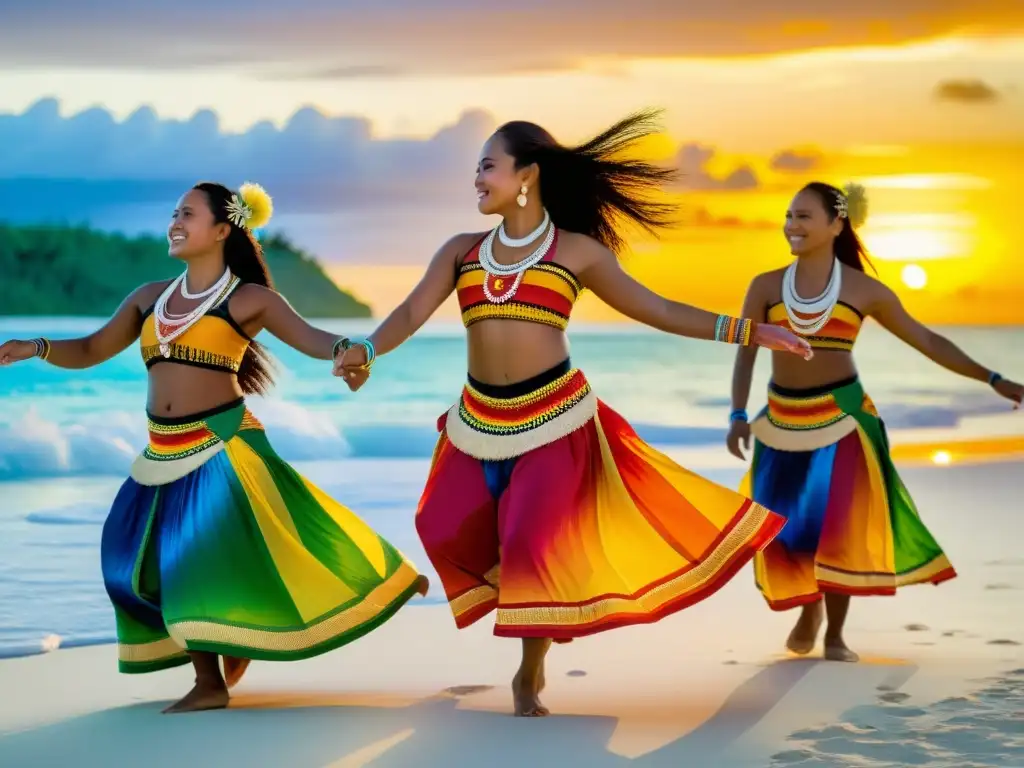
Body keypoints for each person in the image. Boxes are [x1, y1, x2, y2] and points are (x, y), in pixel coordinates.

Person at [333, 110, 811, 717]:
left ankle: (529, 671)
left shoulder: (576, 252)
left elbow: (657, 309)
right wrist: (366, 349)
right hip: (478, 420)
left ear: (526, 175)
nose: (476, 179)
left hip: (556, 421)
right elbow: (407, 313)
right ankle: (546, 603)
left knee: (532, 539)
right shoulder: (462, 252)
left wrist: (749, 332)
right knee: (440, 522)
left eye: (487, 166)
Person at [0, 181, 428, 713]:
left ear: (223, 230)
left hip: (222, 444)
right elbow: (91, 349)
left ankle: (211, 683)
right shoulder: (149, 298)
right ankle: (234, 643)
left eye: (189, 214)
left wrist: (350, 353)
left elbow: (315, 338)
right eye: (173, 213)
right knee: (125, 560)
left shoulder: (248, 299)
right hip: (162, 450)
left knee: (191, 561)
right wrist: (36, 347)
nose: (175, 222)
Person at [726, 181, 1023, 662]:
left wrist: (992, 377)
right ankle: (809, 608)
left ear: (836, 224)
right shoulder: (764, 286)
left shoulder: (865, 291)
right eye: (788, 216)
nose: (791, 225)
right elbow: (745, 357)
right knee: (791, 532)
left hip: (845, 420)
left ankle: (835, 633)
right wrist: (738, 413)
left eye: (803, 216)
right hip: (781, 420)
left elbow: (929, 342)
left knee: (839, 526)